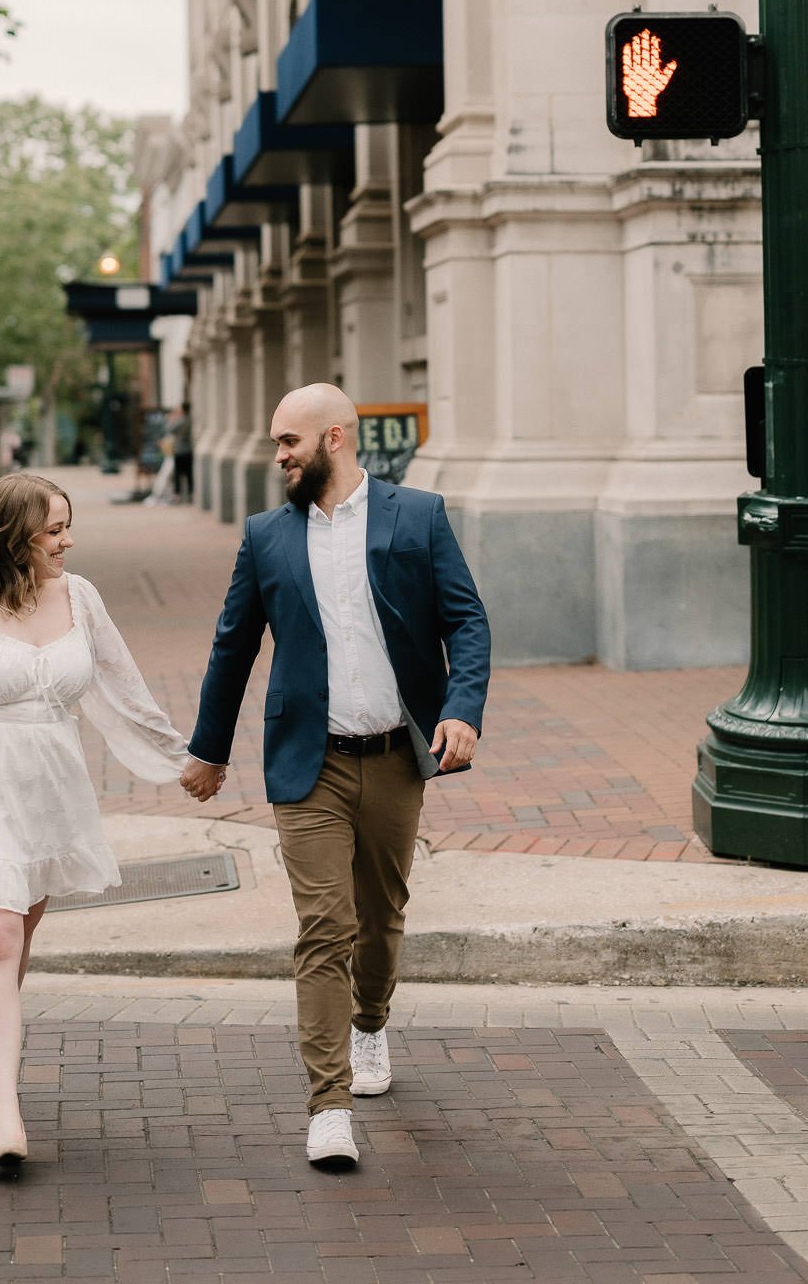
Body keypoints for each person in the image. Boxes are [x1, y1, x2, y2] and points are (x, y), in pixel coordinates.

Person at [179, 383, 490, 1172]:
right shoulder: (265, 536)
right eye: (275, 444)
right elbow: (232, 645)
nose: (279, 455)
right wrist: (209, 749)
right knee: (325, 930)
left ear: (337, 438)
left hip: (392, 757)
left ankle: (371, 1024)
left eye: (289, 441)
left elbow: (465, 618)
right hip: (306, 762)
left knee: (381, 919)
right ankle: (328, 1105)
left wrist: (462, 709)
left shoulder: (416, 516)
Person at [0, 474, 197, 1170]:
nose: (67, 540)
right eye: (53, 529)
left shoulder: (79, 597)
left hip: (48, 787)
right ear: (11, 535)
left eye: (67, 526)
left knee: (17, 935)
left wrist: (185, 760)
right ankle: (5, 1108)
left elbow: (125, 688)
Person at [172, 405, 194, 502]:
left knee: (178, 473)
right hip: (188, 450)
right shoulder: (191, 420)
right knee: (189, 473)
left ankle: (177, 494)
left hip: (180, 450)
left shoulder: (181, 421)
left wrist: (173, 418)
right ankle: (190, 493)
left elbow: (171, 429)